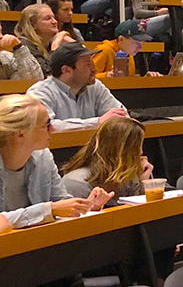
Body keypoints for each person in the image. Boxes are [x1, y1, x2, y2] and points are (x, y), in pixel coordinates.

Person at [0, 94, 112, 229]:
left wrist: (85, 206)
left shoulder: (43, 157)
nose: (53, 129)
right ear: (21, 134)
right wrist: (49, 210)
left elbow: (61, 202)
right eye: (47, 125)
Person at [28, 42, 128, 131]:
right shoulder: (39, 92)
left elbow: (122, 116)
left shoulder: (95, 86)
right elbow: (47, 126)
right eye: (87, 65)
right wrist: (97, 122)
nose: (94, 69)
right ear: (66, 70)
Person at [60, 116, 152, 204]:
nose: (141, 152)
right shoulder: (77, 183)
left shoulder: (128, 180)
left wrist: (143, 184)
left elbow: (136, 215)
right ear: (120, 151)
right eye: (137, 147)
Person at [16, 3, 71, 77]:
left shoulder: (49, 42)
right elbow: (46, 73)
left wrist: (71, 42)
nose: (55, 22)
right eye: (48, 18)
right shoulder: (25, 45)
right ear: (33, 25)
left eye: (54, 17)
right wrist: (55, 46)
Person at [92, 20, 159, 78]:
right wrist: (106, 76)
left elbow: (128, 83)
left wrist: (145, 80)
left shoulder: (129, 54)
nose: (140, 47)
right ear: (121, 39)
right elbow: (87, 78)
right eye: (135, 42)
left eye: (141, 43)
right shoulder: (104, 50)